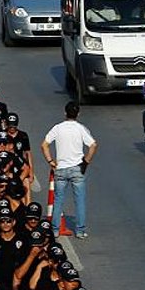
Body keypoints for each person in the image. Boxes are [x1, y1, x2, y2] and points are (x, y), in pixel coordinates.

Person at [40, 102, 97, 238]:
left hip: (60, 168)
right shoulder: (81, 128)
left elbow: (44, 145)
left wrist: (50, 161)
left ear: (65, 113)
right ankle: (80, 230)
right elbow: (93, 145)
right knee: (80, 200)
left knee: (58, 200)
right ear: (78, 114)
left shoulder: (58, 128)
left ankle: (55, 229)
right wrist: (86, 162)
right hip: (77, 168)